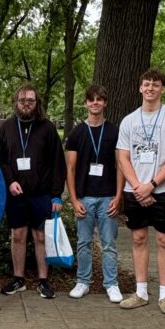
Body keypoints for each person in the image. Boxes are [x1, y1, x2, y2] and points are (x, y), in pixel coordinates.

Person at [116, 67, 165, 312]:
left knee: (164, 240)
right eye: (146, 84)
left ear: (162, 89)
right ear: (140, 88)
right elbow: (123, 157)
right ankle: (141, 291)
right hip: (134, 189)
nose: (150, 88)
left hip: (163, 189)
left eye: (155, 85)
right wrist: (138, 187)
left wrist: (152, 185)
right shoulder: (129, 120)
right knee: (138, 238)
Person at [0, 83, 66, 299]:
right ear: (15, 102)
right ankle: (18, 279)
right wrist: (9, 181)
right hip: (16, 194)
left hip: (41, 193)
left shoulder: (48, 128)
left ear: (37, 103)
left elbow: (58, 163)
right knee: (17, 235)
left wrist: (56, 194)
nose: (26, 104)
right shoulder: (6, 127)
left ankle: (43, 281)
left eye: (31, 101)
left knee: (41, 236)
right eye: (22, 100)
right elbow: (0, 160)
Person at [65, 84, 124, 302]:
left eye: (100, 99)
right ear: (86, 103)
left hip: (108, 195)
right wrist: (73, 199)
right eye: (91, 100)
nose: (95, 103)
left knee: (109, 243)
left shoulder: (114, 131)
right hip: (84, 197)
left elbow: (121, 166)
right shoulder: (77, 133)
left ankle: (111, 284)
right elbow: (70, 169)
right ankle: (83, 281)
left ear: (105, 103)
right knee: (83, 242)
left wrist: (119, 197)